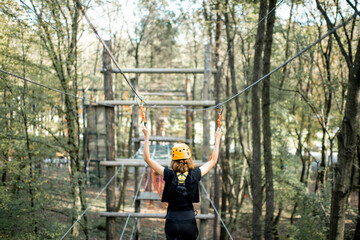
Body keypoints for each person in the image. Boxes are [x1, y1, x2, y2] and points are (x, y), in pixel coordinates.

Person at [142, 126, 222, 240]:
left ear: (173, 159)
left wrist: (146, 137)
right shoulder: (195, 174)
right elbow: (213, 161)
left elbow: (147, 159)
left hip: (172, 222)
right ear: (189, 158)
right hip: (189, 222)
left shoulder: (168, 174)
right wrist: (217, 139)